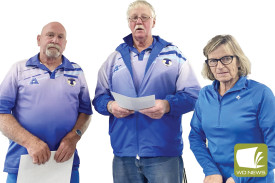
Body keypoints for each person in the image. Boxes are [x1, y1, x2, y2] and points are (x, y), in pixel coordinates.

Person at [92, 0, 200, 182]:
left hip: (164, 153)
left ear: (154, 22)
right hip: (123, 155)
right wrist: (110, 106)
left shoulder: (174, 55)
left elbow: (194, 95)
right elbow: (99, 99)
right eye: (134, 18)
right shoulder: (114, 59)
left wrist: (167, 105)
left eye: (144, 17)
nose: (139, 21)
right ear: (128, 22)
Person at [0, 22, 92, 183]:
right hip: (23, 163)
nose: (55, 40)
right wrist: (29, 142)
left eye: (60, 37)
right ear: (39, 39)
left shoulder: (76, 71)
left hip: (64, 163)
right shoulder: (19, 70)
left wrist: (74, 137)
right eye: (50, 35)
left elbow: (85, 112)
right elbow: (1, 112)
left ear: (65, 44)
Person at [189, 35, 275, 183]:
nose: (220, 66)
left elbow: (273, 145)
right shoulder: (205, 95)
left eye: (226, 58)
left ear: (239, 60)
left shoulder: (260, 93)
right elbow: (195, 137)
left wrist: (237, 178)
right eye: (213, 61)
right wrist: (211, 171)